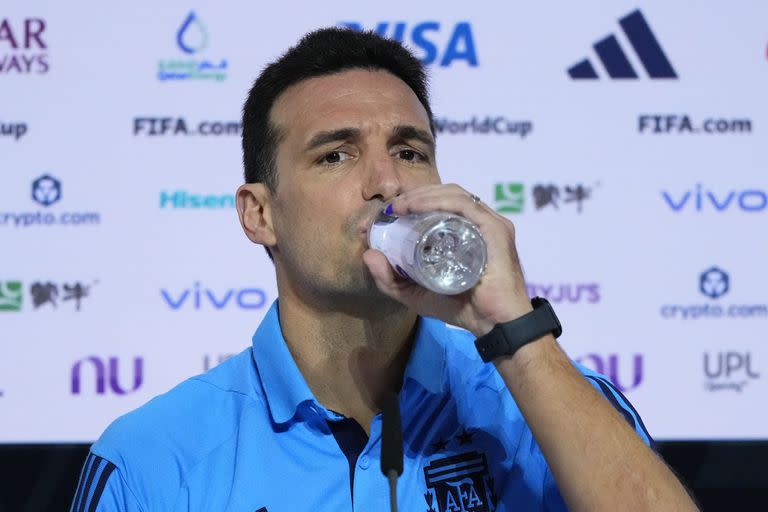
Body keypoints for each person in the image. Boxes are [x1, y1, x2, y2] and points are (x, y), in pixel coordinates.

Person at [71, 28, 698, 511]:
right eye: (336, 155)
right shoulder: (153, 457)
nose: (387, 182)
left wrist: (514, 333)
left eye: (409, 150)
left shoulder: (538, 404)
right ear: (259, 214)